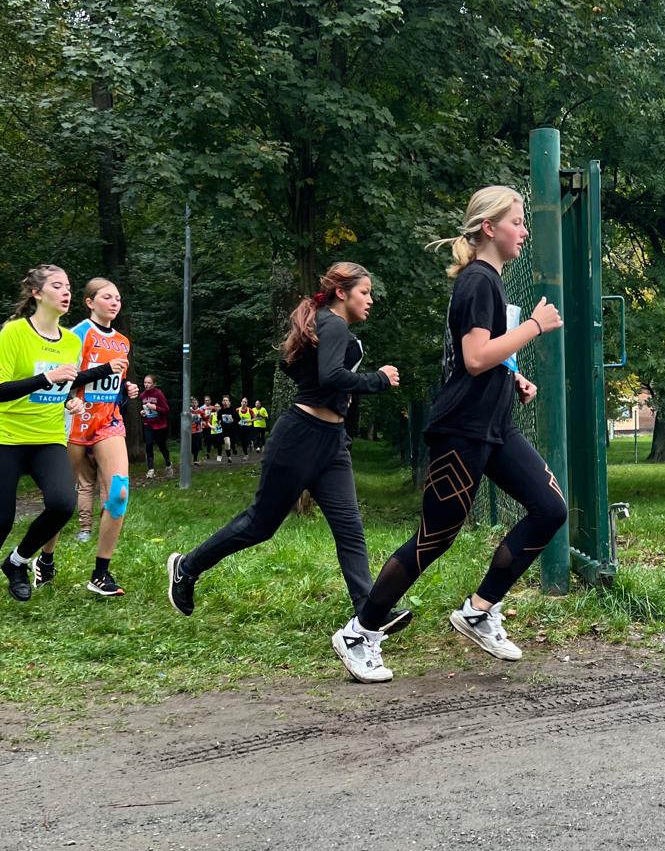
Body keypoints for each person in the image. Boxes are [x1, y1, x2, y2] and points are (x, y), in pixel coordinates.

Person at [331, 186, 565, 683]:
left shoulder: (489, 282)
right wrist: (535, 326)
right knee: (434, 538)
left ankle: (480, 610)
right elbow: (475, 357)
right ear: (489, 228)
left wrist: (513, 377)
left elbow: (479, 357)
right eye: (517, 221)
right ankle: (359, 632)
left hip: (495, 427)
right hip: (463, 430)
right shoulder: (478, 280)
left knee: (550, 509)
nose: (524, 230)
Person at [167, 263, 411, 636]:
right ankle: (187, 567)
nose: (370, 300)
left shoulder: (322, 325)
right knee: (259, 525)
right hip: (300, 439)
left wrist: (329, 392)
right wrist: (378, 379)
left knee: (350, 528)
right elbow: (331, 376)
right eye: (365, 292)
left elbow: (293, 367)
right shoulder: (333, 324)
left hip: (332, 442)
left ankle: (368, 611)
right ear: (342, 292)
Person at [0, 264, 121, 619]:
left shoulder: (71, 342)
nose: (66, 292)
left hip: (48, 438)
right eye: (57, 285)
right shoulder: (14, 333)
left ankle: (17, 562)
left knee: (62, 504)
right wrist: (47, 378)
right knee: (0, 521)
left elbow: (63, 385)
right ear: (36, 293)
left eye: (69, 286)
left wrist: (69, 399)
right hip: (5, 438)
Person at [35, 278, 138, 598]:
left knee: (119, 493)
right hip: (74, 423)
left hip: (109, 422)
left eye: (118, 298)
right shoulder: (76, 335)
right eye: (107, 297)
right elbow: (62, 379)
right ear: (90, 302)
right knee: (61, 502)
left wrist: (126, 389)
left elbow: (113, 383)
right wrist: (70, 399)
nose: (115, 302)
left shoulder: (122, 341)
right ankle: (45, 560)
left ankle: (101, 573)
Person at [141, 374, 172, 477]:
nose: (146, 385)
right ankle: (151, 469)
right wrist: (143, 412)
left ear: (154, 384)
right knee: (148, 445)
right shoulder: (142, 395)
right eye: (145, 382)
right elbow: (145, 409)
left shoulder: (158, 394)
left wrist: (155, 408)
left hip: (160, 425)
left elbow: (166, 410)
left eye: (149, 383)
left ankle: (168, 464)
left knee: (162, 446)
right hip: (148, 423)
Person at [217, 394, 236, 461]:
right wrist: (219, 422)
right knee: (227, 443)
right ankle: (229, 457)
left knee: (232, 443)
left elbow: (238, 419)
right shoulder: (220, 411)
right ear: (222, 402)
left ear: (229, 402)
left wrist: (234, 420)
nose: (225, 402)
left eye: (226, 400)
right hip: (225, 429)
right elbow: (218, 419)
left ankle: (234, 448)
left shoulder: (233, 410)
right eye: (224, 400)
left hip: (232, 429)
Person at [190, 397, 204, 463]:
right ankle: (193, 455)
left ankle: (195, 459)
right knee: (191, 445)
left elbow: (205, 418)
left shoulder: (201, 411)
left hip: (198, 430)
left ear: (197, 404)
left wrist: (204, 422)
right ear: (191, 403)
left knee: (196, 445)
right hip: (189, 431)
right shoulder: (188, 410)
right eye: (193, 403)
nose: (194, 404)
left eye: (195, 403)